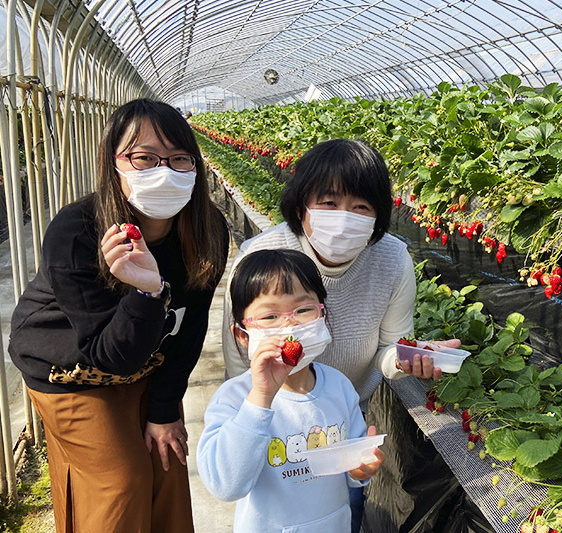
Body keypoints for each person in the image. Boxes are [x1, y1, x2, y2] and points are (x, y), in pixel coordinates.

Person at [8, 98, 229, 533]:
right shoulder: (79, 231)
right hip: (72, 369)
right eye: (145, 157)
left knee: (167, 465)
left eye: (179, 158)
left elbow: (191, 327)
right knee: (120, 482)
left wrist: (165, 410)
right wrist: (148, 291)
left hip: (145, 358)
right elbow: (110, 356)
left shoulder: (207, 230)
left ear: (196, 167)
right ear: (115, 164)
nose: (163, 170)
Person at [220, 138, 460, 531]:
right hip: (274, 422)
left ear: (378, 217)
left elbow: (389, 346)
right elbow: (238, 356)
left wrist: (404, 358)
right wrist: (245, 418)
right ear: (302, 207)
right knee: (271, 510)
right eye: (329, 203)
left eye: (361, 207)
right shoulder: (261, 257)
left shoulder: (392, 258)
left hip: (343, 418)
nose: (344, 217)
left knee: (340, 508)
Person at [198, 249, 384, 532]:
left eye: (303, 310)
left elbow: (353, 466)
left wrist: (361, 469)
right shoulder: (235, 398)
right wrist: (261, 397)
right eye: (270, 316)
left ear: (323, 315)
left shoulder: (339, 386)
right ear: (242, 336)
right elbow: (225, 486)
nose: (289, 326)